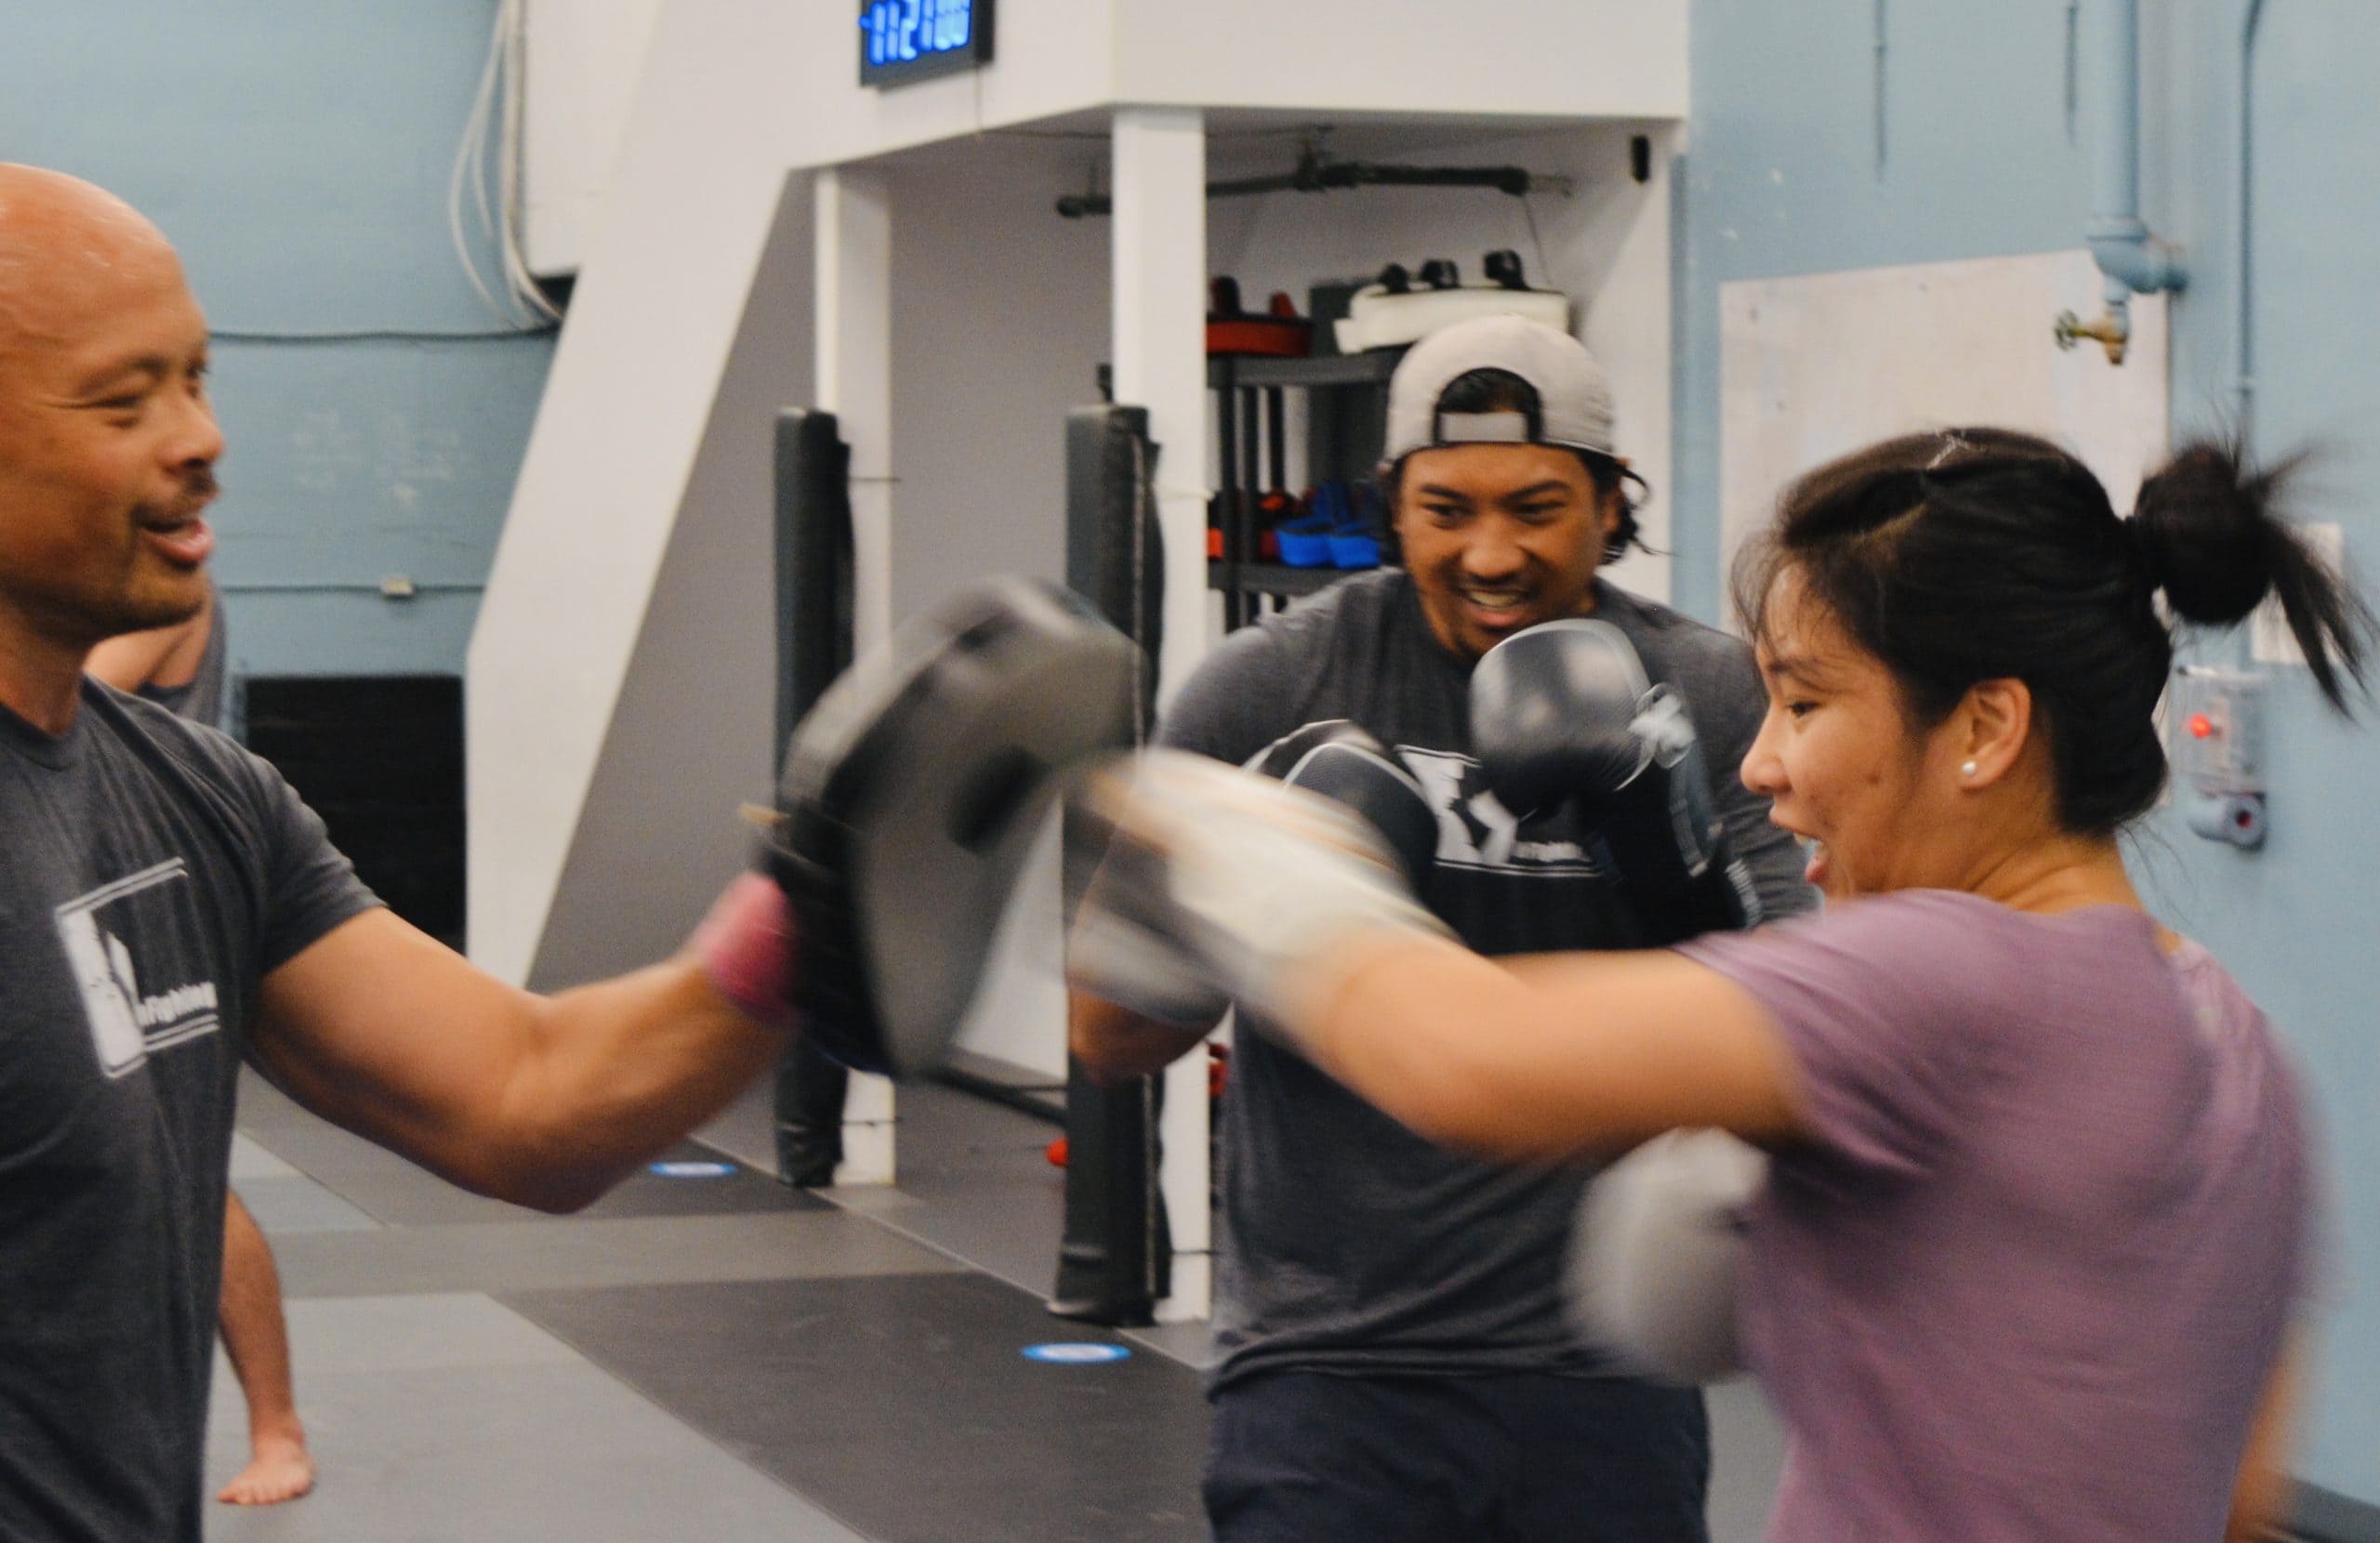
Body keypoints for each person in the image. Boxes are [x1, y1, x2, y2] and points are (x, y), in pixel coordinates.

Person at [1074, 426, 2373, 1542]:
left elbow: (1462, 1061)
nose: (1761, 765)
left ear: (1985, 729)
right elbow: (2243, 1500)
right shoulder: (2235, 1042)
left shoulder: (1946, 976)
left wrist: (1241, 846)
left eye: (1805, 704)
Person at [0, 164, 813, 1543]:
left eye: (197, 378)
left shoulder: (206, 805)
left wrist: (815, 915)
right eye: (125, 401)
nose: (199, 438)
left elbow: (525, 1098)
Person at [1070, 315, 1814, 1542]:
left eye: (1536, 506)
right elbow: (1108, 1033)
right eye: (1445, 508)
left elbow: (1794, 1038)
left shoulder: (1713, 694)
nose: (1491, 553)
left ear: (1610, 505)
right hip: (1326, 1363)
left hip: (1604, 1361)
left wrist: (1675, 872)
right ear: (1390, 509)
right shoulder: (1270, 689)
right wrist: (1259, 897)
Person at [87, 589, 316, 1507]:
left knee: (186, 1175)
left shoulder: (147, 591)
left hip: (140, 897)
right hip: (59, 889)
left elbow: (66, 696)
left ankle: (278, 1429)